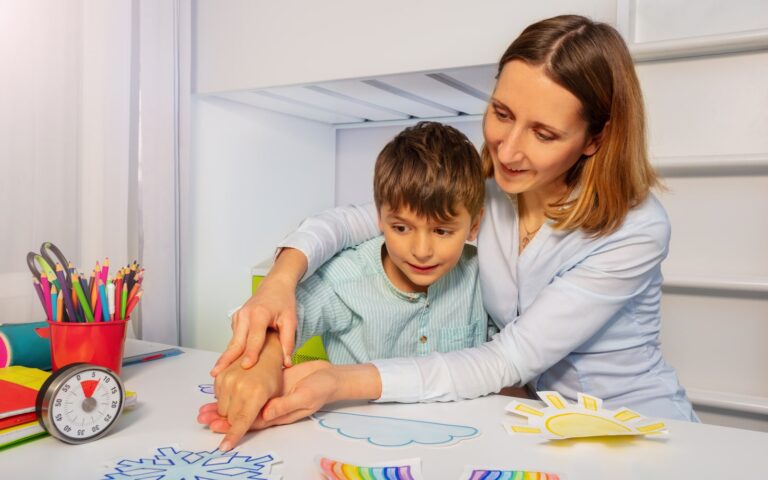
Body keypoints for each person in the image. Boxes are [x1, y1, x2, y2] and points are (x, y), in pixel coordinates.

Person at [200, 14, 699, 451]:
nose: (507, 150)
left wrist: (338, 382)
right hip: (536, 427)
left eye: (543, 134)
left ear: (597, 138)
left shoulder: (636, 229)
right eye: (502, 114)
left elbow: (508, 358)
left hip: (636, 426)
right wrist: (281, 282)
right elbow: (353, 219)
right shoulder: (490, 193)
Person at [202, 121, 492, 450]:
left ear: (474, 225)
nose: (421, 250)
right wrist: (264, 364)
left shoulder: (483, 277)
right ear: (379, 219)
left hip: (462, 445)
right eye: (401, 228)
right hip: (355, 445)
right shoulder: (347, 277)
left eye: (442, 231)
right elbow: (281, 316)